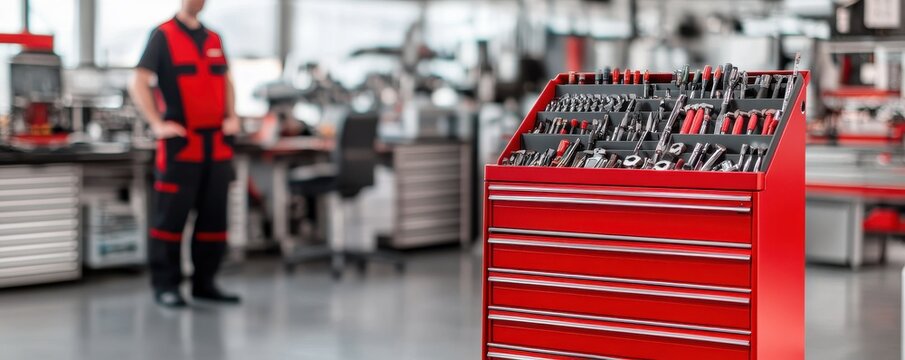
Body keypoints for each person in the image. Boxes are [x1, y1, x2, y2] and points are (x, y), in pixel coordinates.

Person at [130, 0, 241, 308]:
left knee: (214, 219)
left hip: (216, 145)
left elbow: (226, 80)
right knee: (170, 220)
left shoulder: (214, 38)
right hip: (181, 145)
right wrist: (156, 123)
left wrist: (233, 115)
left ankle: (206, 283)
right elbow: (139, 81)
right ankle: (166, 286)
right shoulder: (162, 35)